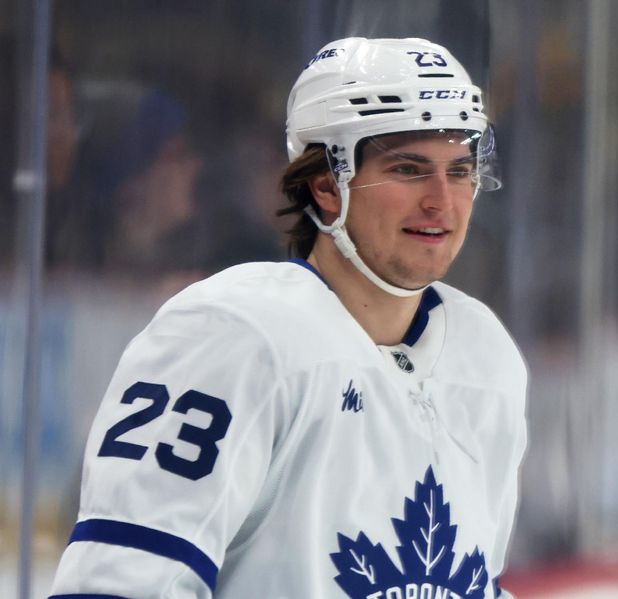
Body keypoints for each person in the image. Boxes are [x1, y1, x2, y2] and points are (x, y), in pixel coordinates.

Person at [49, 37, 527, 599]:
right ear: (326, 184)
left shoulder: (485, 354)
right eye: (408, 169)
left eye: (460, 171)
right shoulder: (231, 334)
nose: (442, 202)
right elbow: (122, 585)